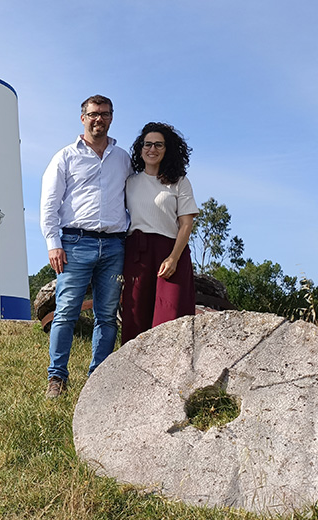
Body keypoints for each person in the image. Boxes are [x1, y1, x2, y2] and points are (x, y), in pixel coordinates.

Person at [39, 95, 131, 398]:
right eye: (93, 114)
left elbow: (131, 197)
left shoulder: (123, 158)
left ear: (112, 117)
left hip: (115, 245)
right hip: (75, 243)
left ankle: (98, 381)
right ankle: (57, 378)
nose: (98, 119)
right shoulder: (65, 157)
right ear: (83, 118)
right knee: (66, 312)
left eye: (104, 114)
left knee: (107, 316)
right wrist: (54, 244)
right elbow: (49, 204)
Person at [121, 122, 198, 344]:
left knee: (172, 317)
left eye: (158, 145)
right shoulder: (130, 182)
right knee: (135, 317)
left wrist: (173, 258)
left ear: (167, 149)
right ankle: (131, 374)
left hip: (171, 252)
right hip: (137, 253)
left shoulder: (180, 182)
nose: (152, 149)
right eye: (147, 144)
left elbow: (186, 224)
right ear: (140, 148)